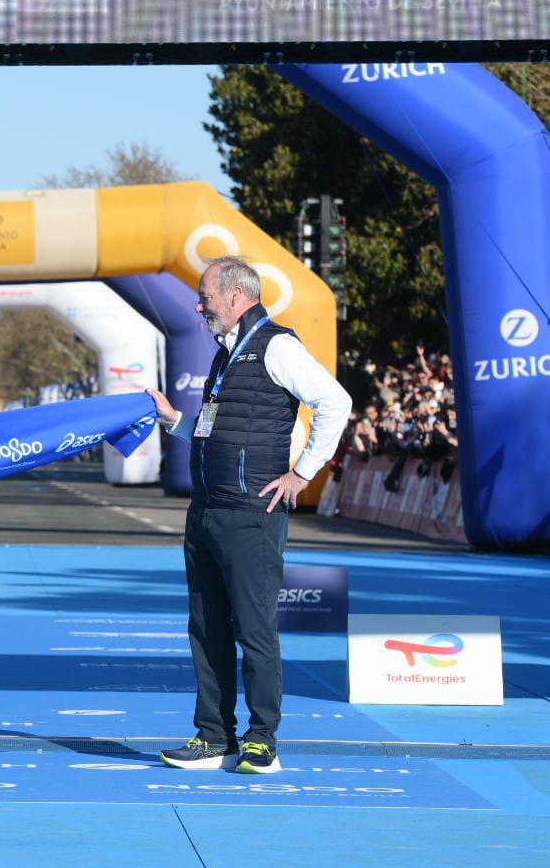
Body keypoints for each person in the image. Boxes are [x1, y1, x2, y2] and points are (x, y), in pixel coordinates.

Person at [147, 257, 350, 775]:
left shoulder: (277, 346)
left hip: (251, 516)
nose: (199, 305)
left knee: (254, 630)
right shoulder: (225, 353)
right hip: (207, 512)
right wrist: (174, 421)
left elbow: (335, 401)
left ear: (236, 296)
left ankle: (263, 740)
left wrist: (302, 474)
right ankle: (215, 736)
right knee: (207, 628)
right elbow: (215, 428)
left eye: (205, 296)